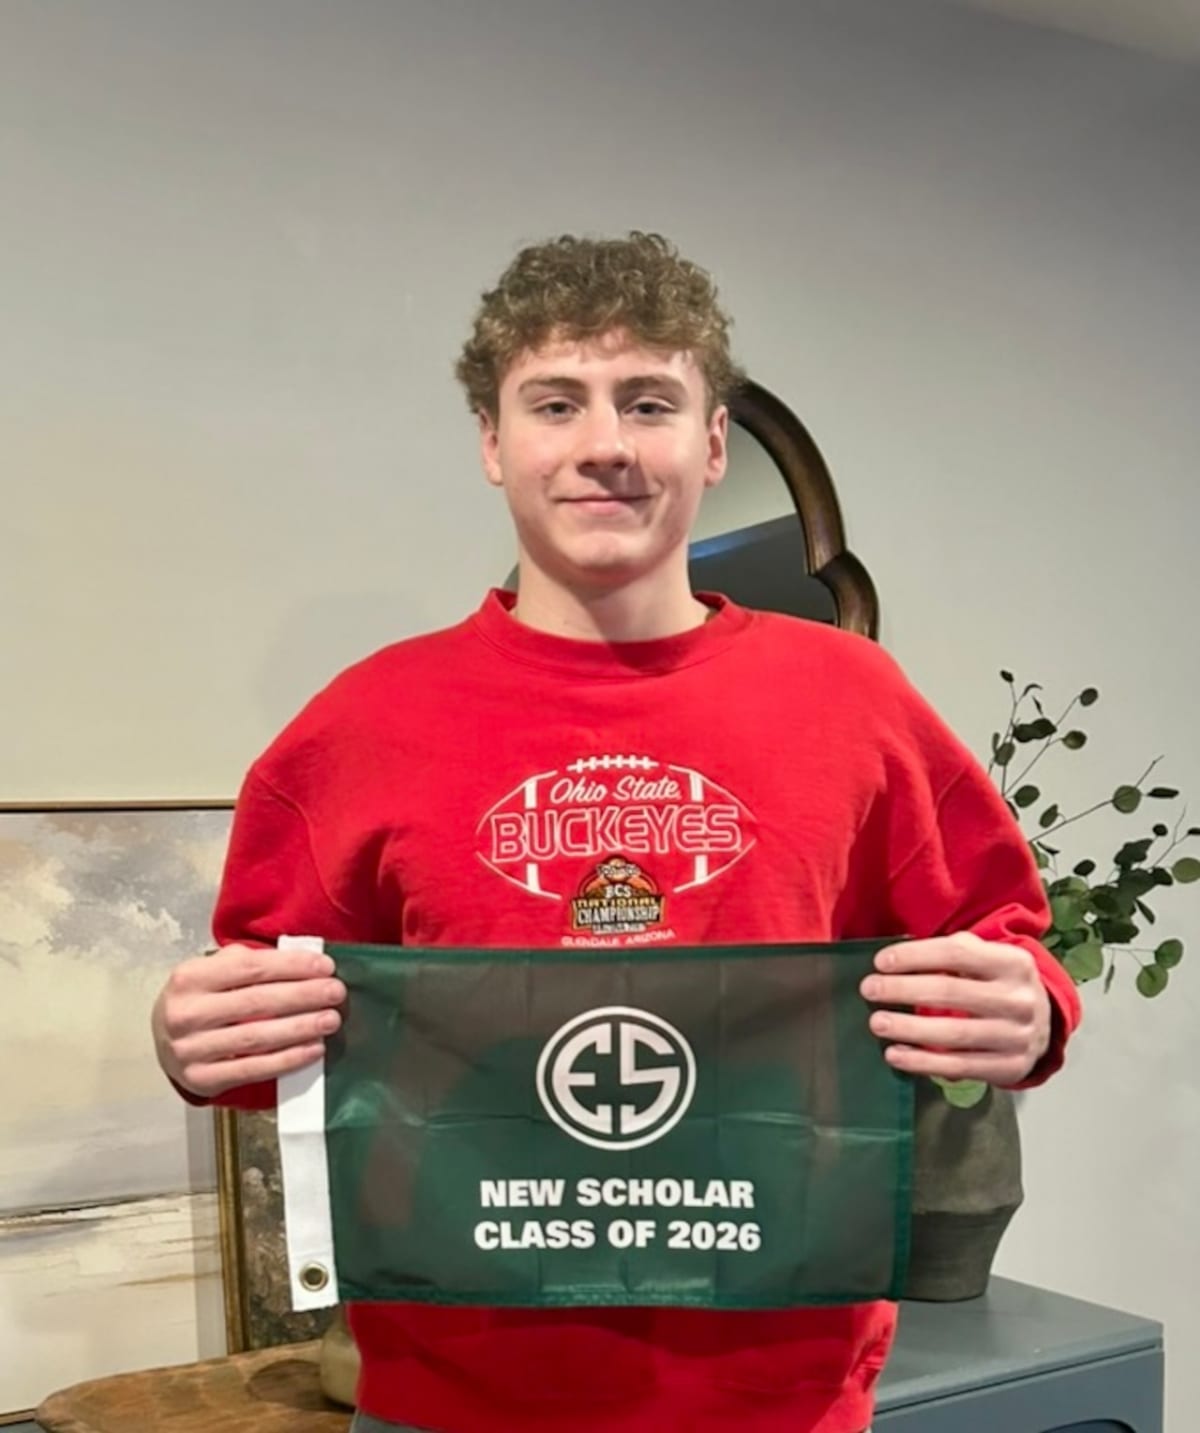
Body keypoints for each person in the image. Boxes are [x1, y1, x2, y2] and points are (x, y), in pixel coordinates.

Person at [152, 231, 1080, 1433]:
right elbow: (271, 1023)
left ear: (708, 443)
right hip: (452, 1400)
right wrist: (194, 1040)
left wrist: (1033, 1004)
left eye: (648, 401)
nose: (604, 444)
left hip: (779, 1400)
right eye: (555, 402)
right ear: (494, 442)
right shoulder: (359, 726)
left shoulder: (857, 702)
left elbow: (1006, 939)